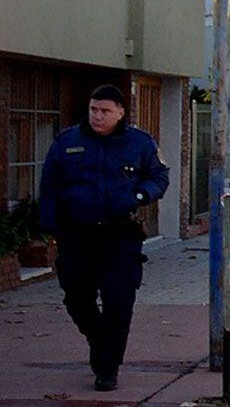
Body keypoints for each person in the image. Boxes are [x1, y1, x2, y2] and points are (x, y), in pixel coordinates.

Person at [38, 85, 170, 391]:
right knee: (76, 298)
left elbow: (159, 177)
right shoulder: (67, 141)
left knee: (118, 302)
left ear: (121, 112)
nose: (98, 117)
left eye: (105, 111)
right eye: (94, 110)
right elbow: (49, 186)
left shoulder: (139, 142)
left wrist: (140, 194)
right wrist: (51, 228)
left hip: (119, 234)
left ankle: (108, 367)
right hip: (77, 234)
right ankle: (99, 341)